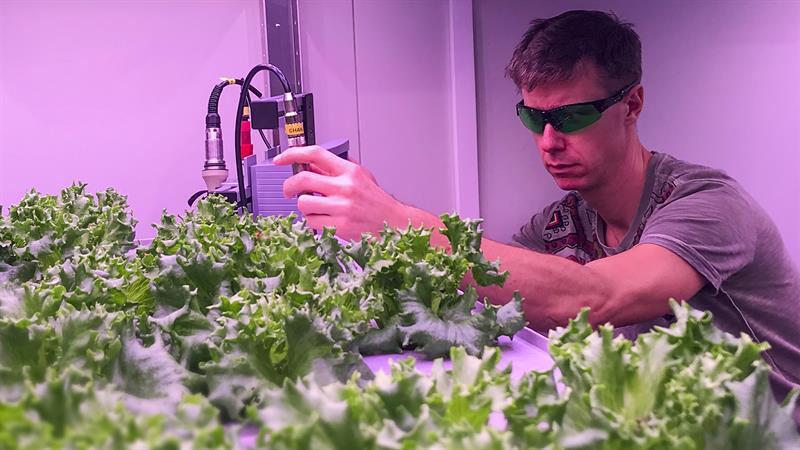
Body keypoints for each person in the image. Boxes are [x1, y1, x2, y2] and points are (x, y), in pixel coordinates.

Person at [273, 10, 800, 423]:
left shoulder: (708, 206)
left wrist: (398, 222)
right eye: (533, 117)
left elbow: (598, 297)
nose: (548, 142)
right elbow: (487, 296)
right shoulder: (559, 225)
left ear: (632, 104)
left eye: (571, 116)